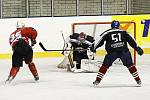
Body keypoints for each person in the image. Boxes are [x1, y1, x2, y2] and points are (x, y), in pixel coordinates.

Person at [92, 20, 144, 86]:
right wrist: (137, 48)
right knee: (130, 65)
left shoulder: (107, 32)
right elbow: (131, 40)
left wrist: (93, 48)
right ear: (119, 26)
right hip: (124, 52)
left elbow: (99, 41)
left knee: (105, 66)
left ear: (111, 26)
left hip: (112, 52)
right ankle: (138, 80)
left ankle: (97, 81)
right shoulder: (124, 32)